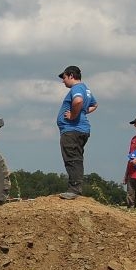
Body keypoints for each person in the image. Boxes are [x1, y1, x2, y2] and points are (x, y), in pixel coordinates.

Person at [54, 65, 98, 199]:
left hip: (72, 130)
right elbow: (94, 104)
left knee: (72, 159)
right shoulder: (86, 89)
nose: (63, 81)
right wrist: (82, 113)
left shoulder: (77, 88)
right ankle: (75, 188)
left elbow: (78, 101)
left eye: (64, 77)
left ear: (71, 76)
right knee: (76, 158)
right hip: (81, 129)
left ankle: (74, 189)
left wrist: (73, 115)